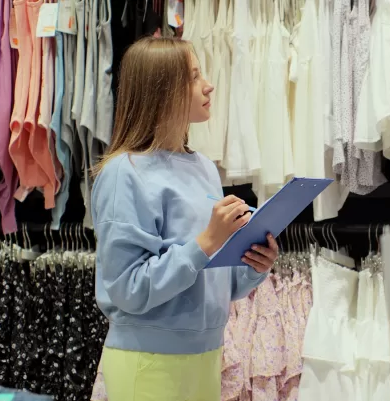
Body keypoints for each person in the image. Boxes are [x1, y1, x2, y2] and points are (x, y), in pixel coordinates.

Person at [90, 37, 278, 401]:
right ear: (161, 90)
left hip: (206, 358)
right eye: (193, 77)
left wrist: (255, 265)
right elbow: (127, 288)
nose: (208, 85)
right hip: (147, 362)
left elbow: (220, 283)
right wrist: (207, 241)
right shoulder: (123, 173)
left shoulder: (204, 167)